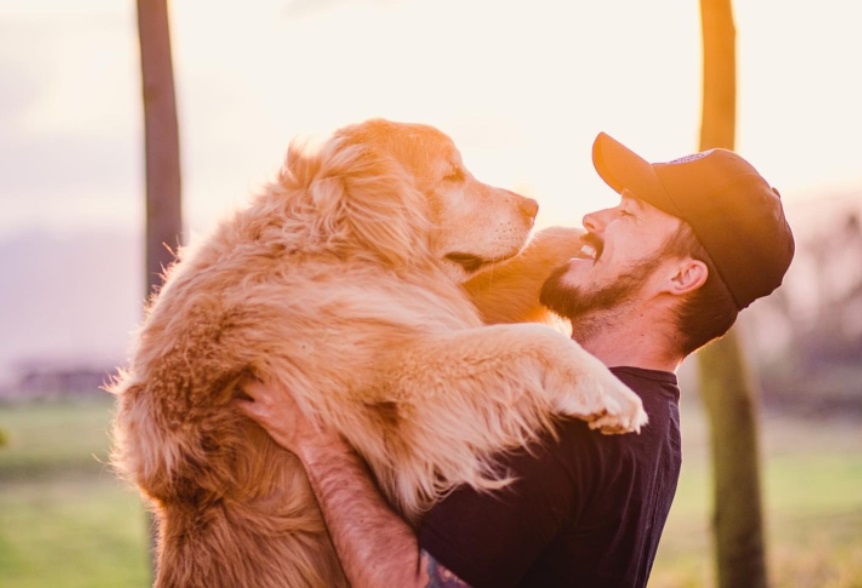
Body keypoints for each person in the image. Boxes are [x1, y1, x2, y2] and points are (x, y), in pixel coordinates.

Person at [238, 132, 795, 588]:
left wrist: (318, 446)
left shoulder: (570, 420)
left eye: (628, 212)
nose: (594, 218)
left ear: (682, 276)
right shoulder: (653, 413)